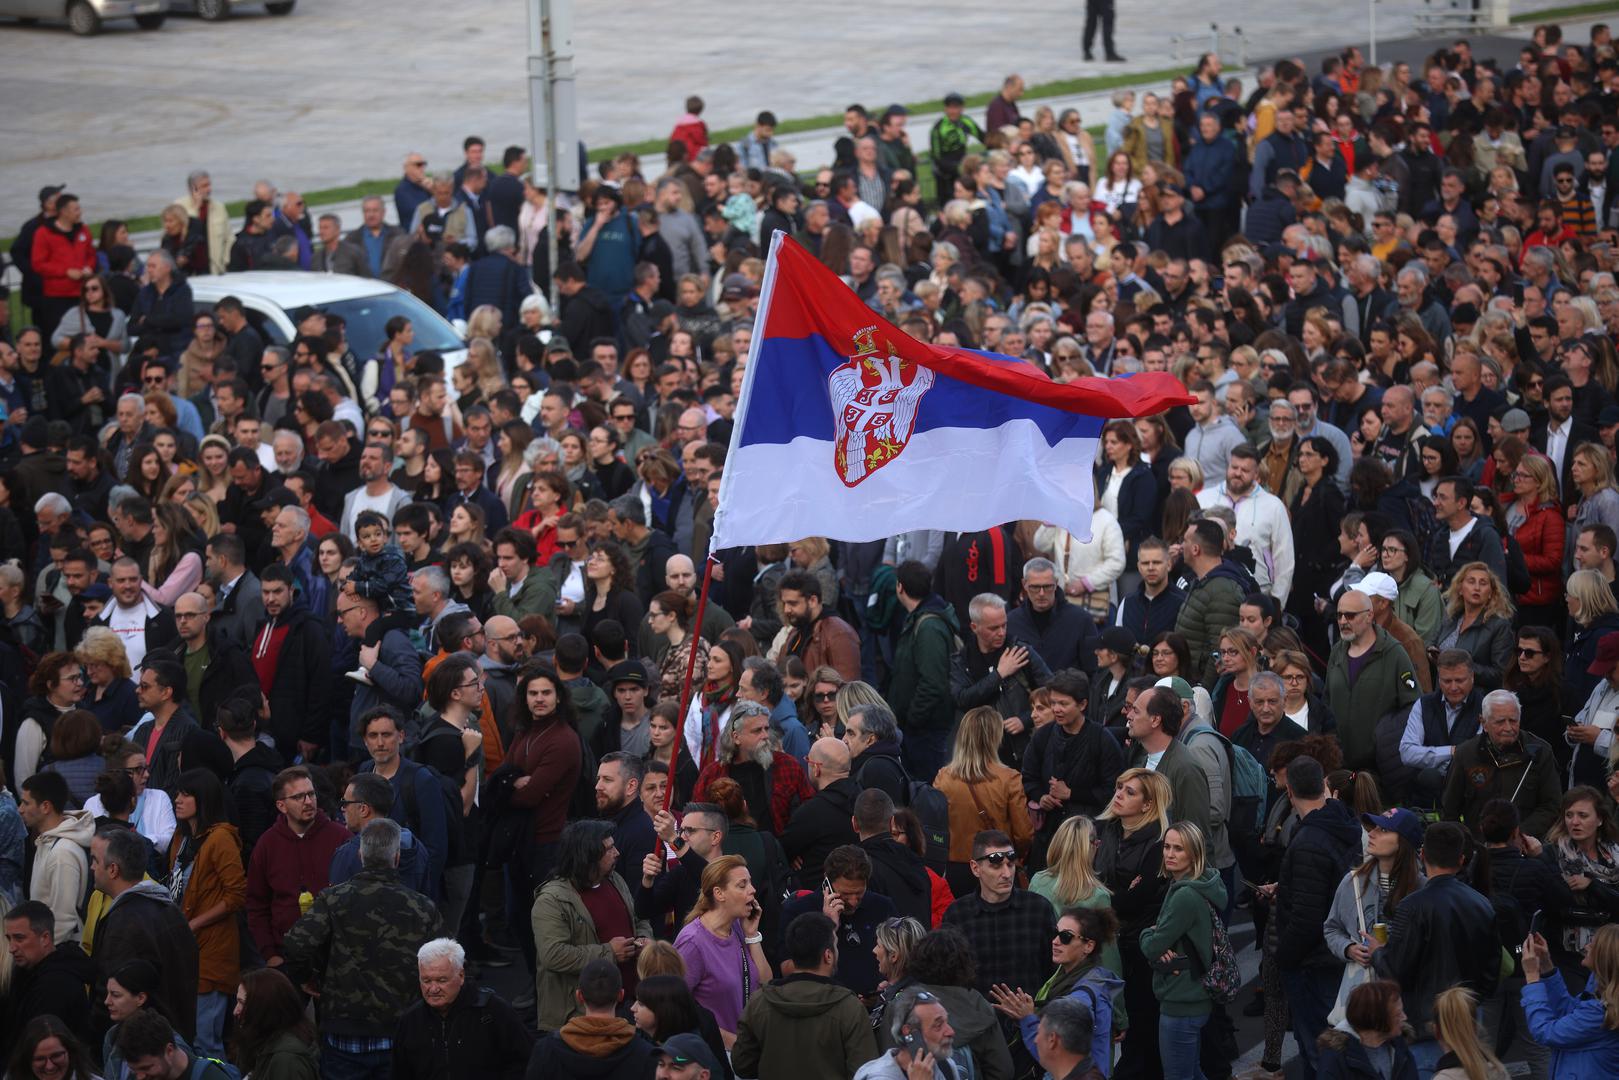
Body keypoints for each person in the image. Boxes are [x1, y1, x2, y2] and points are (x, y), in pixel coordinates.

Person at [281, 818, 442, 1079]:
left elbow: (295, 944)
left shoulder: (332, 900)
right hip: (401, 1032)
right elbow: (446, 959)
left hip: (343, 1033)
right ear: (397, 857)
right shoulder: (422, 907)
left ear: (360, 855)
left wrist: (307, 978)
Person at [1372, 821, 1502, 1074]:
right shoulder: (1481, 903)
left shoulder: (1412, 906)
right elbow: (1491, 971)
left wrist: (1378, 951)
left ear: (1422, 855)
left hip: (1427, 1028)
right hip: (1468, 1023)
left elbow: (1396, 969)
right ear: (1461, 859)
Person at [532, 819, 653, 1034]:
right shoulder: (552, 900)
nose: (617, 853)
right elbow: (553, 954)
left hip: (626, 1002)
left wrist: (644, 939)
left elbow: (638, 918)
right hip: (579, 1015)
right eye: (608, 849)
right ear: (586, 855)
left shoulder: (615, 879)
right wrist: (609, 952)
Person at [732, 910, 880, 1079]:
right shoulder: (849, 1008)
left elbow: (742, 1064)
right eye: (835, 945)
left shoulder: (759, 1003)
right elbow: (865, 1072)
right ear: (828, 955)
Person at [90, 824, 200, 1045]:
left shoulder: (124, 924)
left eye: (94, 860)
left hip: (141, 1048)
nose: (91, 867)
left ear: (113, 870)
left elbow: (112, 996)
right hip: (174, 1043)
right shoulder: (169, 910)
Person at [1138, 819, 1226, 1080]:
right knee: (1192, 1073)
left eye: (1179, 848)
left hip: (1182, 1002)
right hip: (1193, 997)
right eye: (1167, 847)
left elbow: (1153, 947)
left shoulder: (1185, 896)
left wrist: (1148, 933)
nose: (1169, 854)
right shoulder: (1194, 885)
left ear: (1195, 854)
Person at [166, 768, 244, 1058]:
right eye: (177, 793)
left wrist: (195, 923)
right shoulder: (182, 836)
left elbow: (236, 895)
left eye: (186, 794)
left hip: (212, 951)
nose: (178, 799)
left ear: (204, 798)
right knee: (187, 1038)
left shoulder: (221, 838)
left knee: (206, 1042)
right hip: (184, 950)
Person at [989, 905, 1123, 1074]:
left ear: (1088, 946)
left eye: (1066, 937)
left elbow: (1053, 1055)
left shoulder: (1081, 999)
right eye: (1056, 933)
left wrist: (1027, 1018)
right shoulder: (1084, 976)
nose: (1055, 941)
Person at [244, 766, 349, 968]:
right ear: (281, 805)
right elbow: (256, 904)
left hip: (334, 957)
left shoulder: (341, 838)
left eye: (311, 794)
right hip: (285, 957)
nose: (308, 802)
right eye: (299, 797)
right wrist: (270, 955)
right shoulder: (267, 845)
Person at [392, 937, 532, 1080]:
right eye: (426, 980)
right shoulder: (411, 1021)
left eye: (441, 980)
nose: (433, 989)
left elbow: (524, 1063)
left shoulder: (494, 1012)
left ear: (461, 975)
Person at [942, 829, 1056, 1004]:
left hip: (1029, 1022)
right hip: (976, 1023)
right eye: (996, 865)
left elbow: (1053, 972)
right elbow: (948, 977)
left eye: (1010, 864)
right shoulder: (957, 915)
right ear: (975, 868)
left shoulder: (1038, 910)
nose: (1007, 873)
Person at [935, 706, 1036, 898]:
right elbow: (1023, 834)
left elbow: (936, 827)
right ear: (994, 738)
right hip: (997, 864)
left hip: (956, 867)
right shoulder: (1009, 778)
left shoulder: (943, 777)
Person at [674, 853, 771, 1047]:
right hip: (716, 1054)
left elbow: (766, 984)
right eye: (742, 885)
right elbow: (675, 1008)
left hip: (747, 1049)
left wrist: (752, 935)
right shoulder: (693, 943)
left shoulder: (738, 927)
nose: (752, 890)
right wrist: (733, 1042)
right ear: (719, 894)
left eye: (750, 883)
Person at [1440, 689, 1562, 839]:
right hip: (1480, 848)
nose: (1508, 728)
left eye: (1513, 720)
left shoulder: (1540, 751)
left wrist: (1519, 834)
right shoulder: (1465, 754)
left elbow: (1551, 806)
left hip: (1525, 845)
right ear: (1483, 723)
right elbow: (1449, 811)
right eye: (1500, 722)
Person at [1325, 585, 1421, 772]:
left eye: (1350, 615)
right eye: (1339, 615)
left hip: (1380, 768)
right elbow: (1327, 699)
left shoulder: (1394, 653)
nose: (1343, 621)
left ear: (1369, 615)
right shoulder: (1337, 652)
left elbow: (1413, 706)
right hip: (1339, 764)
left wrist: (1384, 740)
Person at [691, 700, 814, 836]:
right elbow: (698, 820)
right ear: (736, 737)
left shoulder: (788, 766)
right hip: (729, 853)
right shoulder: (713, 775)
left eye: (766, 729)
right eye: (757, 731)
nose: (765, 736)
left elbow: (808, 811)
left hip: (780, 852)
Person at [889, 559, 960, 780]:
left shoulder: (929, 627)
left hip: (926, 731)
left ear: (900, 587)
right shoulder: (920, 618)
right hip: (920, 729)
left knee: (927, 791)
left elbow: (933, 682)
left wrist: (912, 719)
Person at [1521, 922, 1619, 1079]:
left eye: (1592, 945)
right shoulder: (1603, 997)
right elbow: (1568, 1013)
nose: (1586, 947)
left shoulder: (1599, 1012)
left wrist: (1532, 977)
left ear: (1604, 957)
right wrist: (1546, 966)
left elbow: (1545, 1032)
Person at [0, 901, 95, 1051]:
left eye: (19, 938)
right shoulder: (25, 972)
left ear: (45, 938)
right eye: (8, 938)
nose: (11, 948)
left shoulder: (56, 985)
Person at [18, 771, 94, 944]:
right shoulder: (47, 842)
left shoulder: (62, 853)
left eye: (25, 803)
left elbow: (63, 920)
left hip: (57, 958)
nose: (20, 809)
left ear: (45, 806)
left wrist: (43, 959)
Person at [779, 737, 862, 888]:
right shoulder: (864, 800)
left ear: (816, 769)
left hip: (819, 896)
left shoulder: (810, 812)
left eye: (808, 762)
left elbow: (783, 851)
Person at [855, 986, 971, 1080]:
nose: (950, 1032)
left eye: (947, 1022)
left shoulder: (946, 1067)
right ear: (910, 1032)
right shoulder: (877, 1076)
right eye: (938, 1025)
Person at [1315, 979, 1420, 1080]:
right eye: (1398, 1014)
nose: (1404, 1017)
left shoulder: (1399, 1048)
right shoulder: (1336, 1058)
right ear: (1376, 1018)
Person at [229, 968, 320, 1080]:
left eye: (242, 1003)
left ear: (264, 1008)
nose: (235, 1011)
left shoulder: (288, 1061)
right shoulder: (256, 1041)